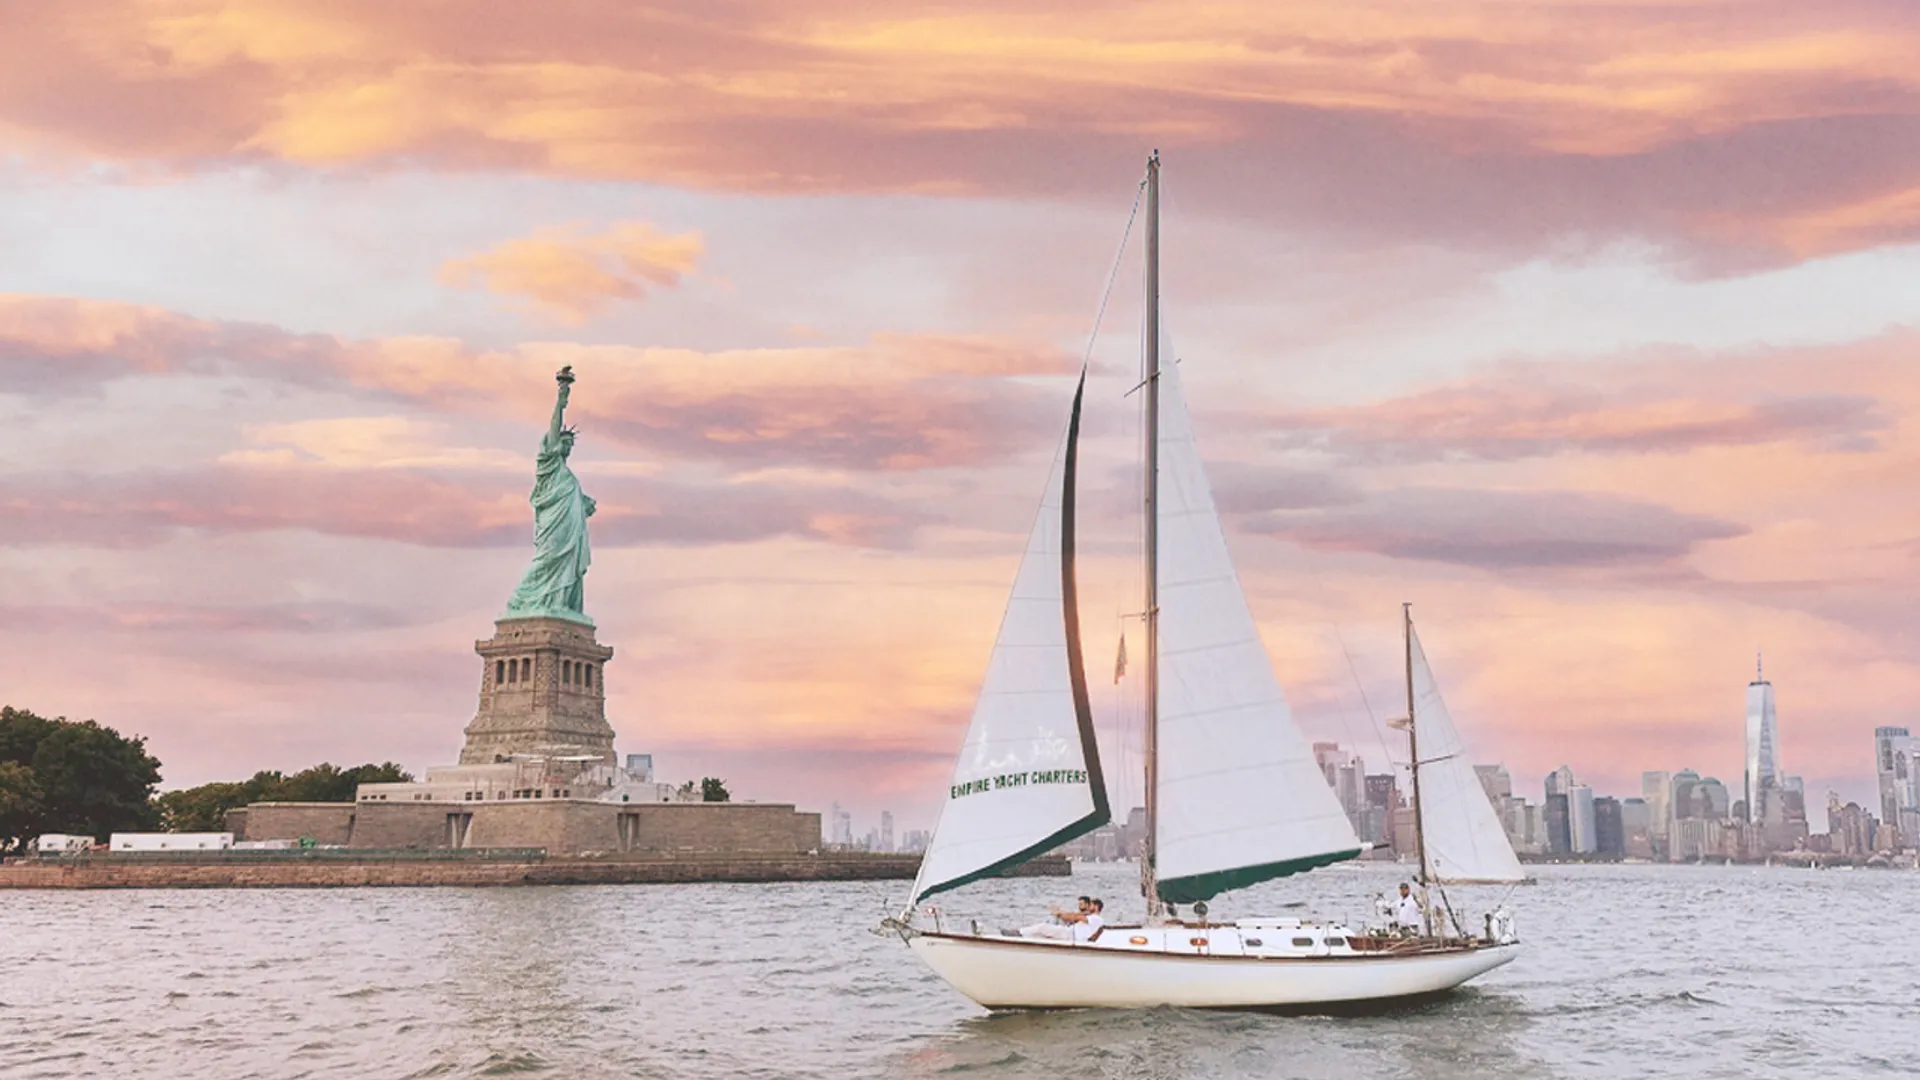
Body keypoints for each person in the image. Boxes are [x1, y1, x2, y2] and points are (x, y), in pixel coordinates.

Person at [1021, 896, 1091, 940]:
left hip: (1069, 934)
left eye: (1081, 904)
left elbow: (1071, 917)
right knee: (1044, 928)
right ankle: (1025, 935)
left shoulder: (1087, 915)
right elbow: (1069, 916)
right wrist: (1059, 912)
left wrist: (1060, 913)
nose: (1079, 906)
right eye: (1079, 904)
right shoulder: (1079, 914)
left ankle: (1020, 932)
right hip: (1067, 931)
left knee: (1042, 927)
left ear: (1087, 905)